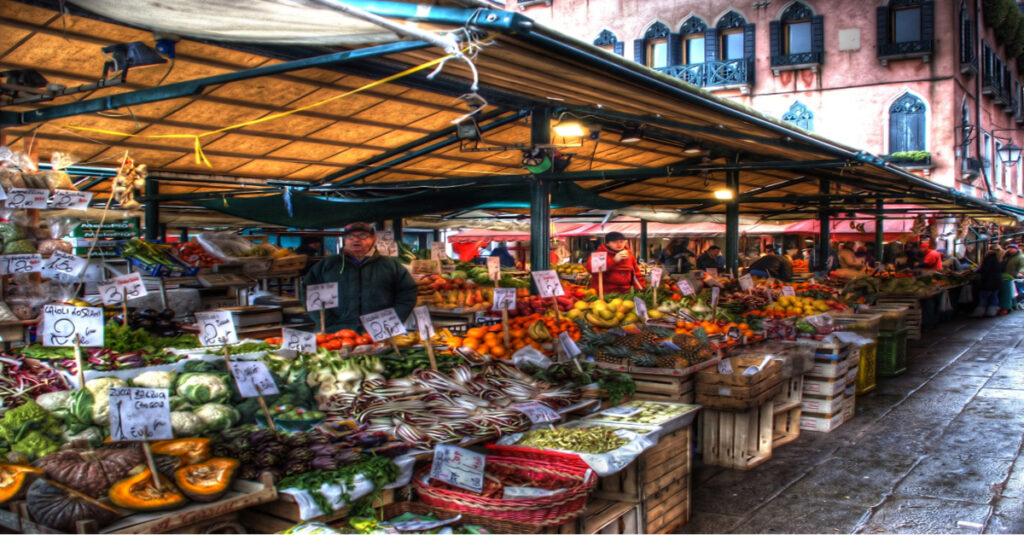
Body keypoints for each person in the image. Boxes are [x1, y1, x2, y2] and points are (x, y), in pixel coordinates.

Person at [303, 222, 418, 333]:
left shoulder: (390, 265)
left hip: (381, 332)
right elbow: (309, 293)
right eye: (350, 236)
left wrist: (392, 321)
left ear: (374, 239)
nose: (356, 239)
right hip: (336, 333)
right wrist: (328, 323)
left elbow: (407, 292)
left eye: (362, 236)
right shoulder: (327, 265)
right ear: (345, 240)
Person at [972, 250, 1003, 317]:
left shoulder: (986, 262)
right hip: (996, 284)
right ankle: (991, 312)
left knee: (983, 298)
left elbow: (983, 270)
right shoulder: (997, 262)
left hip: (987, 283)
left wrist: (976, 270)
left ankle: (979, 312)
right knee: (994, 298)